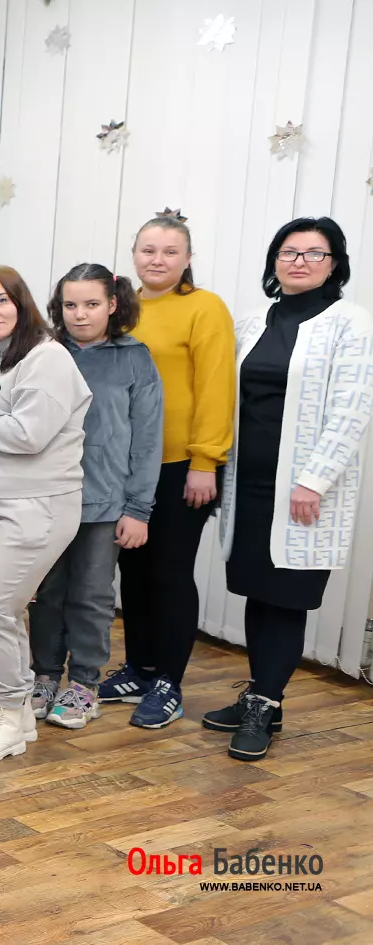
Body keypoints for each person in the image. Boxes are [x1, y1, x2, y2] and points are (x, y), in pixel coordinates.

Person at [208, 218, 372, 761]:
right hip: (249, 484)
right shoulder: (252, 322)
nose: (299, 261)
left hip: (304, 492)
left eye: (314, 253)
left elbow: (352, 409)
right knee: (259, 591)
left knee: (287, 597)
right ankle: (263, 696)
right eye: (289, 251)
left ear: (334, 263)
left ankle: (264, 703)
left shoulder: (351, 323)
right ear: (274, 260)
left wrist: (313, 480)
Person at [0, 266, 91, 764]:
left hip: (38, 508)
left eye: (0, 301)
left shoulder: (47, 358)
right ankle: (19, 714)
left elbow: (29, 436)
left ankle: (8, 718)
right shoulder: (4, 358)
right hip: (0, 504)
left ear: (21, 301)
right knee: (2, 610)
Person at [103, 215, 236, 719]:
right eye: (148, 250)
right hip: (124, 466)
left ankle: (168, 682)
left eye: (170, 251)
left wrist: (206, 461)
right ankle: (139, 668)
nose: (157, 260)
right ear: (134, 254)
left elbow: (217, 387)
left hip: (182, 466)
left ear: (187, 258)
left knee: (170, 574)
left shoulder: (204, 308)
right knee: (133, 572)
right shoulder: (120, 309)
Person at [30, 264, 162, 730]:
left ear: (113, 304)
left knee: (90, 595)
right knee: (46, 593)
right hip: (47, 497)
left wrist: (138, 509)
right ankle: (45, 676)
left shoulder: (134, 359)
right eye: (70, 305)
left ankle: (84, 684)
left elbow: (147, 440)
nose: (80, 314)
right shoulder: (45, 353)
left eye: (91, 304)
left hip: (104, 502)